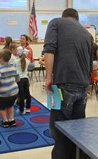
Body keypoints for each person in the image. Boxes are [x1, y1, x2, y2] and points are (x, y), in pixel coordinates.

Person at [43, 8, 92, 159]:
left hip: (64, 84)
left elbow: (49, 50)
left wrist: (49, 77)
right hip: (83, 86)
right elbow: (90, 63)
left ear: (64, 16)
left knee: (60, 130)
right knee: (77, 131)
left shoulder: (56, 22)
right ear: (76, 19)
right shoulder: (87, 34)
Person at [0, 49, 20, 128]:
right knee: (10, 106)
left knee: (1, 107)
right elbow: (18, 79)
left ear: (1, 59)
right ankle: (12, 120)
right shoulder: (13, 68)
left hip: (4, 94)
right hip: (14, 92)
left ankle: (5, 121)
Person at [14, 48, 31, 115]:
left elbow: (14, 70)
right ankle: (28, 108)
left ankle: (21, 110)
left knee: (21, 95)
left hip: (19, 79)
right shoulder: (27, 60)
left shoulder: (16, 61)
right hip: (26, 79)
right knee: (27, 94)